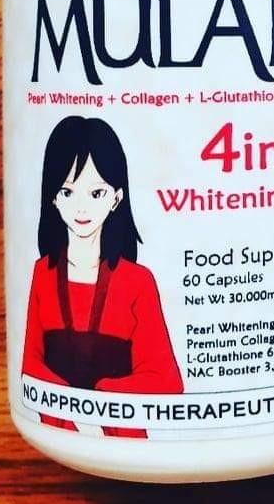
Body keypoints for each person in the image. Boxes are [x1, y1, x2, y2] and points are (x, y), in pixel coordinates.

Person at [22, 115, 182, 438]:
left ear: (116, 198)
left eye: (96, 193)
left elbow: (167, 381)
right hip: (57, 425)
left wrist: (103, 394)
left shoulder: (136, 282)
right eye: (67, 192)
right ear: (53, 197)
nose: (81, 208)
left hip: (126, 439)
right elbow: (29, 366)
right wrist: (69, 408)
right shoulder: (43, 273)